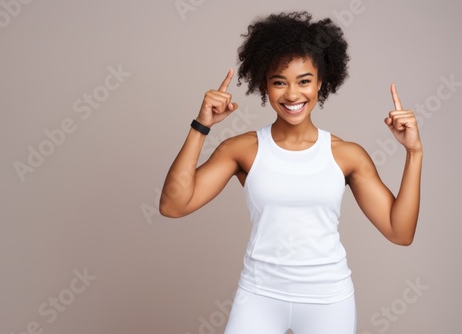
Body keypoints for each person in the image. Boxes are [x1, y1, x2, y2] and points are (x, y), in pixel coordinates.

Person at [159, 11, 422, 334]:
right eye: (279, 82)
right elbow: (173, 205)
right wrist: (201, 126)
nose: (293, 95)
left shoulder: (346, 155)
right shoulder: (242, 149)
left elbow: (400, 231)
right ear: (264, 86)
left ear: (321, 82)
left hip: (328, 300)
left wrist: (414, 152)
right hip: (259, 295)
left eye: (304, 81)